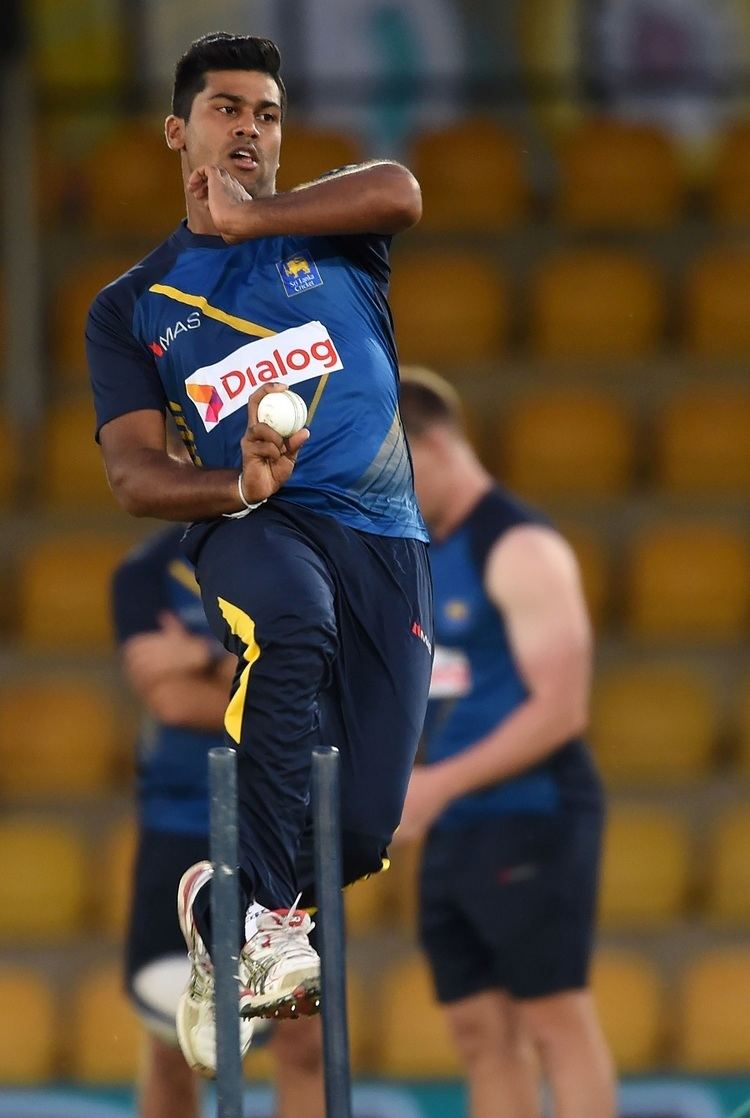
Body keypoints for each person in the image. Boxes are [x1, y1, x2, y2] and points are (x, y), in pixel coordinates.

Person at [86, 32, 432, 1079]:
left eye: (268, 113)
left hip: (385, 539)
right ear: (177, 129)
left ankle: (219, 904)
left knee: (363, 830)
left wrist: (257, 219)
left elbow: (403, 189)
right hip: (257, 522)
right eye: (227, 108)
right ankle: (268, 925)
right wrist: (236, 485)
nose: (249, 127)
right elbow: (136, 476)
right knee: (288, 619)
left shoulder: (330, 234)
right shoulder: (133, 304)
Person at [396, 369, 616, 1118]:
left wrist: (439, 783)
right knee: (477, 1028)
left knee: (553, 1018)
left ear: (432, 445)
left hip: (532, 809)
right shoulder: (420, 551)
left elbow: (561, 710)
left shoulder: (519, 545)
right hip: (454, 817)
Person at [112, 524, 326, 1118]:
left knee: (303, 1034)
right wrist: (274, 694)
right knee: (173, 1041)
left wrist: (202, 656)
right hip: (181, 823)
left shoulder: (303, 552)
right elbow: (171, 701)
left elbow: (325, 695)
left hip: (286, 827)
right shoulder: (147, 572)